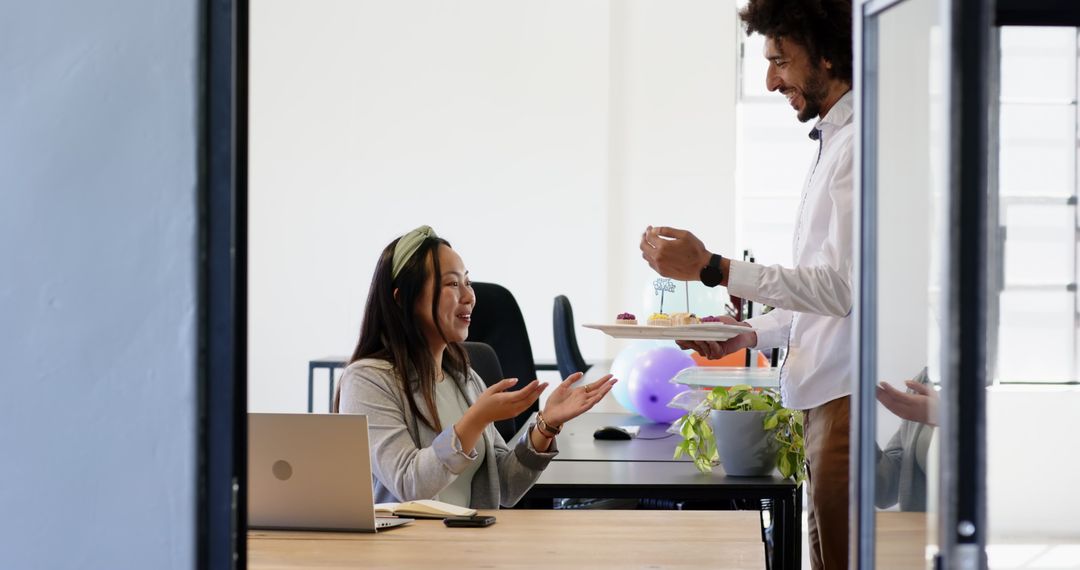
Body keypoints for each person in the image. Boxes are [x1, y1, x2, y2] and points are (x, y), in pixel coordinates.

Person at [638, 1, 854, 567]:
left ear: (827, 54)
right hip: (821, 397)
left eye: (780, 61)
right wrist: (747, 336)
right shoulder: (833, 142)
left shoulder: (859, 146)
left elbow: (842, 289)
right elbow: (818, 300)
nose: (770, 80)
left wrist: (713, 267)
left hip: (843, 398)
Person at [334, 225, 616, 509]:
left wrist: (546, 425)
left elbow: (505, 486)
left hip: (469, 546)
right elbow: (410, 484)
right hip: (409, 549)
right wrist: (475, 419)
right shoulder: (367, 380)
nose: (469, 296)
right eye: (452, 284)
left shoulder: (463, 376)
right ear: (402, 299)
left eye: (467, 282)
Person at [876, 368, 938, 512]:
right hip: (920, 530)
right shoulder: (925, 379)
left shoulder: (997, 382)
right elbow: (887, 489)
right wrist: (851, 430)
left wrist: (945, 421)